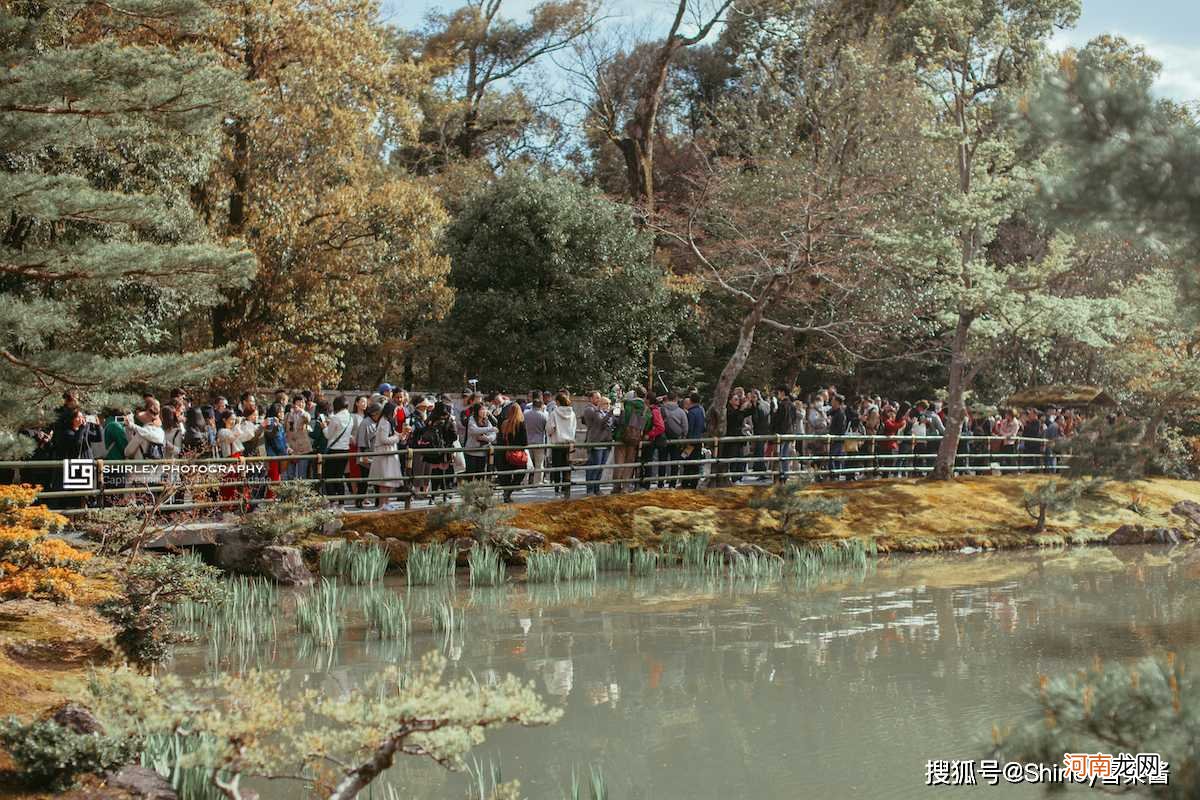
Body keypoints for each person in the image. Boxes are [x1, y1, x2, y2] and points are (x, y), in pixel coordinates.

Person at [612, 387, 650, 494]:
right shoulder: (646, 409)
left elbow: (618, 417)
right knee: (630, 462)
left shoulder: (626, 404)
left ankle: (616, 487)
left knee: (619, 462)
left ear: (635, 394)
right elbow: (648, 425)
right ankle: (625, 487)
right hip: (635, 439)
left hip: (622, 436)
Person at [367, 402, 404, 507]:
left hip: (388, 454)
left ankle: (386, 503)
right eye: (395, 411)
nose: (396, 413)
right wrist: (397, 438)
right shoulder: (385, 422)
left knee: (388, 482)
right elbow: (384, 439)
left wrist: (400, 435)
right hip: (385, 454)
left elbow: (391, 435)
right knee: (384, 482)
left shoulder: (387, 421)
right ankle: (383, 504)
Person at [582, 390, 614, 495]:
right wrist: (609, 413)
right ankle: (590, 489)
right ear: (590, 399)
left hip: (605, 442)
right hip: (596, 441)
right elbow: (600, 422)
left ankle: (597, 488)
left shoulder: (600, 410)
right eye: (597, 398)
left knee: (600, 467)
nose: (599, 400)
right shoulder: (591, 410)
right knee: (594, 466)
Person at [545, 391, 577, 496]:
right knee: (567, 466)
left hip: (557, 443)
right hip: (569, 443)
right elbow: (574, 427)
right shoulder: (572, 414)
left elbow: (550, 428)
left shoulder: (554, 413)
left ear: (558, 402)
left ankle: (557, 488)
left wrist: (550, 434)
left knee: (557, 467)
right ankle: (566, 488)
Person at [322, 395, 353, 498]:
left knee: (329, 476)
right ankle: (341, 503)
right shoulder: (350, 417)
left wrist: (324, 427)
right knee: (339, 476)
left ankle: (332, 501)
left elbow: (328, 435)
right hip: (345, 450)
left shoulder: (336, 417)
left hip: (334, 450)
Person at [496, 402, 528, 502]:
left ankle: (507, 494)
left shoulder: (504, 423)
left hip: (504, 453)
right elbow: (525, 442)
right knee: (521, 472)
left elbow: (500, 439)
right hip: (516, 454)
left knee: (506, 476)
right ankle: (508, 492)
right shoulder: (521, 424)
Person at [659, 392, 688, 488]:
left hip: (663, 438)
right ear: (676, 399)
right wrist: (683, 436)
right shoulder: (681, 412)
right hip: (676, 440)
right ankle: (672, 484)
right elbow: (685, 428)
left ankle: (660, 483)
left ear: (667, 398)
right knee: (674, 462)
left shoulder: (661, 410)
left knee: (662, 461)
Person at [464, 402, 497, 479]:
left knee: (481, 475)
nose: (484, 411)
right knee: (470, 475)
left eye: (485, 409)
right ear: (477, 411)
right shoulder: (472, 419)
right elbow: (474, 430)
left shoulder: (486, 420)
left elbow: (493, 434)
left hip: (483, 452)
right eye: (482, 409)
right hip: (471, 452)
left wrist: (487, 438)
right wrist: (490, 429)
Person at [770, 386, 797, 480]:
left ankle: (782, 474)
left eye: (779, 392)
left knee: (781, 454)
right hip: (789, 432)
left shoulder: (782, 405)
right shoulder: (792, 405)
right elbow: (794, 419)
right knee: (785, 454)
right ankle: (785, 474)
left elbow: (778, 420)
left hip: (782, 432)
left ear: (782, 393)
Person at [681, 392, 706, 489]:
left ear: (691, 400)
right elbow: (704, 427)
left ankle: (686, 483)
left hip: (691, 442)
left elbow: (689, 428)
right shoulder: (701, 411)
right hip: (698, 440)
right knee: (696, 463)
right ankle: (694, 483)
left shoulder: (691, 412)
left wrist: (686, 439)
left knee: (687, 463)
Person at [284, 395, 312, 480]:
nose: (302, 404)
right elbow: (285, 429)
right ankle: (290, 492)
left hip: (303, 448)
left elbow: (308, 419)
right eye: (300, 401)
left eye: (303, 402)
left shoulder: (305, 414)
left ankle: (301, 492)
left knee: (302, 475)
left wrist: (301, 411)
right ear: (294, 403)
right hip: (290, 449)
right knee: (290, 475)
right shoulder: (288, 415)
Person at [524, 397, 549, 486]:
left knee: (526, 463)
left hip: (527, 440)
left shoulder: (525, 414)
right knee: (539, 463)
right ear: (541, 405)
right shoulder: (544, 415)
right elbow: (547, 429)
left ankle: (524, 481)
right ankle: (537, 482)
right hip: (539, 441)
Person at [750, 389, 772, 479]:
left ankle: (761, 472)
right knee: (761, 451)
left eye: (753, 397)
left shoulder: (758, 406)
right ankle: (760, 471)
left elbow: (756, 419)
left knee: (759, 452)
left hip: (759, 431)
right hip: (765, 430)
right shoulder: (766, 404)